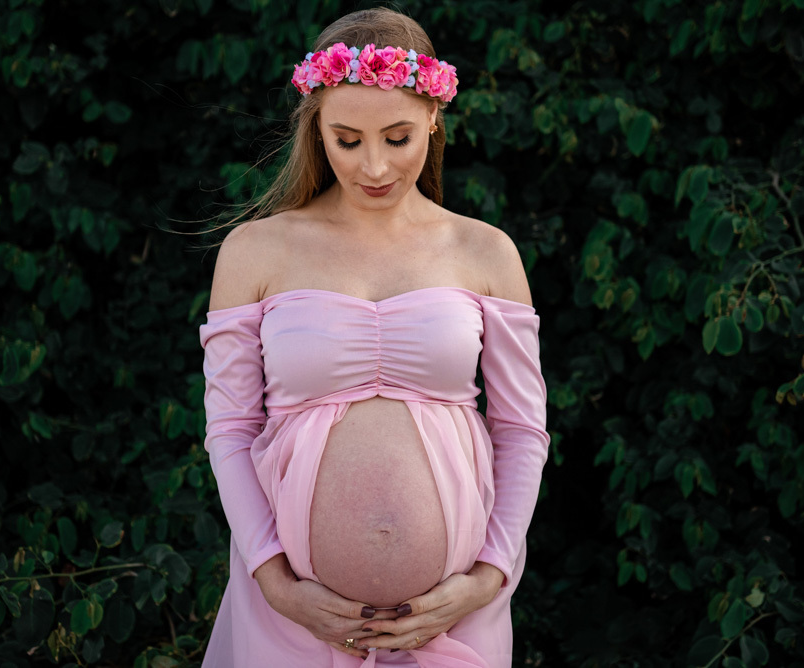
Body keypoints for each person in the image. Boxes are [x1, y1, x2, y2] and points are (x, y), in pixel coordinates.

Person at [198, 7, 549, 667]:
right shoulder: (255, 251)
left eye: (397, 137)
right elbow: (231, 430)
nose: (375, 166)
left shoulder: (486, 252)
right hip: (293, 620)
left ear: (434, 119)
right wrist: (275, 582)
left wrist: (487, 578)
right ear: (316, 129)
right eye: (347, 139)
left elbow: (522, 432)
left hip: (454, 620)